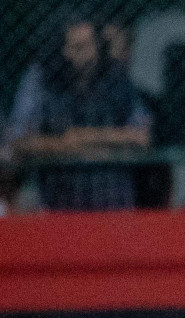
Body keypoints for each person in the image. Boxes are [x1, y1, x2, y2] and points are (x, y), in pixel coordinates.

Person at [4, 14, 151, 211]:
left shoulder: (116, 79)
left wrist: (83, 137)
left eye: (92, 45)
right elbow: (19, 139)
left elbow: (141, 137)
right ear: (61, 50)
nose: (88, 55)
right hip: (59, 204)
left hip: (113, 205)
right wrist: (63, 145)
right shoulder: (41, 81)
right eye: (78, 47)